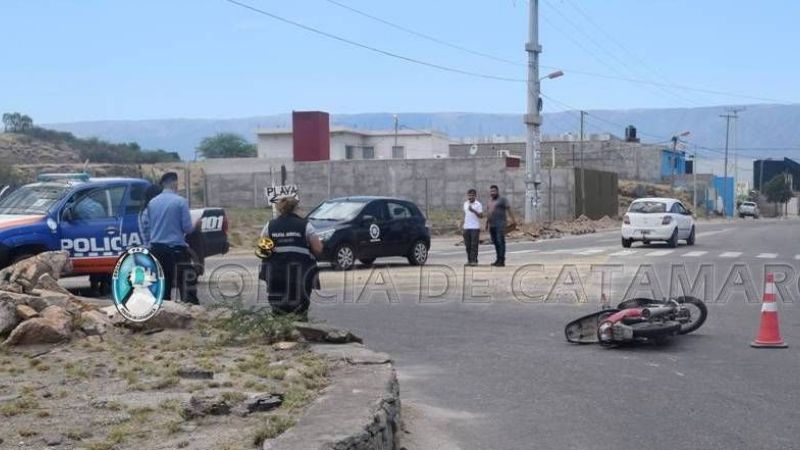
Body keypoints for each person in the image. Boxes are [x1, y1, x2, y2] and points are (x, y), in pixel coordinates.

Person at [260, 196, 323, 319]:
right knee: (299, 311)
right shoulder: (306, 226)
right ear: (295, 209)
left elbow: (263, 251)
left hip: (276, 276)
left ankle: (282, 333)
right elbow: (318, 249)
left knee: (278, 312)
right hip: (300, 276)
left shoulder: (269, 226)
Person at [145, 172, 198, 304]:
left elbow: (148, 226)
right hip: (176, 251)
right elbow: (187, 228)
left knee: (163, 290)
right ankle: (191, 317)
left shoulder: (152, 203)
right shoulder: (180, 202)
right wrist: (197, 225)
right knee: (187, 288)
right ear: (174, 183)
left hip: (157, 250)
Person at [486, 185, 516, 267]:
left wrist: (513, 220)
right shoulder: (489, 201)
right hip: (492, 225)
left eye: (494, 191)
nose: (492, 193)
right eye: (491, 191)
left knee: (500, 242)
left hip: (501, 225)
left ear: (497, 191)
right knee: (495, 242)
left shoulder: (502, 200)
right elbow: (489, 213)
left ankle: (501, 260)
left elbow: (509, 209)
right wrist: (487, 223)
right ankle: (498, 259)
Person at [462, 188, 483, 266]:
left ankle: (474, 261)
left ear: (475, 196)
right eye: (469, 195)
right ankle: (469, 260)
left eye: (472, 196)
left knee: (474, 245)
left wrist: (473, 210)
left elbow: (481, 216)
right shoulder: (465, 204)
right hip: (466, 227)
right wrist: (462, 225)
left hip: (475, 228)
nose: (470, 197)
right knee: (468, 245)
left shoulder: (478, 204)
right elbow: (464, 215)